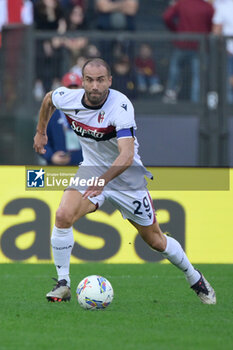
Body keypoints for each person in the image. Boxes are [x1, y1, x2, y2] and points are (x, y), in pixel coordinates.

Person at [33, 58, 216, 304]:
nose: (95, 86)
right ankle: (63, 283)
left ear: (109, 81)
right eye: (89, 80)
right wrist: (41, 132)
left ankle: (195, 278)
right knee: (63, 215)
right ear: (83, 81)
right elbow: (48, 100)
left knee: (155, 240)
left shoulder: (120, 106)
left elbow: (126, 155)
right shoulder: (69, 98)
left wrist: (103, 181)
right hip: (92, 170)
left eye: (100, 80)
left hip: (126, 177)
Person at [162, 0, 214, 103]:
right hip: (200, 46)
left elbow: (167, 17)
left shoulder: (182, 3)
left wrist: (176, 31)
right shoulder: (208, 7)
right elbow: (212, 27)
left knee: (175, 70)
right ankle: (196, 104)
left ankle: (170, 96)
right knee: (198, 77)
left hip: (183, 43)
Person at [40, 72, 83, 165]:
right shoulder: (50, 114)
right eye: (69, 88)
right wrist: (51, 156)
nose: (73, 92)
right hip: (58, 171)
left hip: (85, 171)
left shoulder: (90, 113)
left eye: (76, 88)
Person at [212, 0, 233, 104]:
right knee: (228, 81)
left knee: (228, 82)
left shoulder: (222, 7)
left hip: (228, 50)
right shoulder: (222, 6)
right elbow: (217, 30)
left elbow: (216, 31)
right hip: (228, 51)